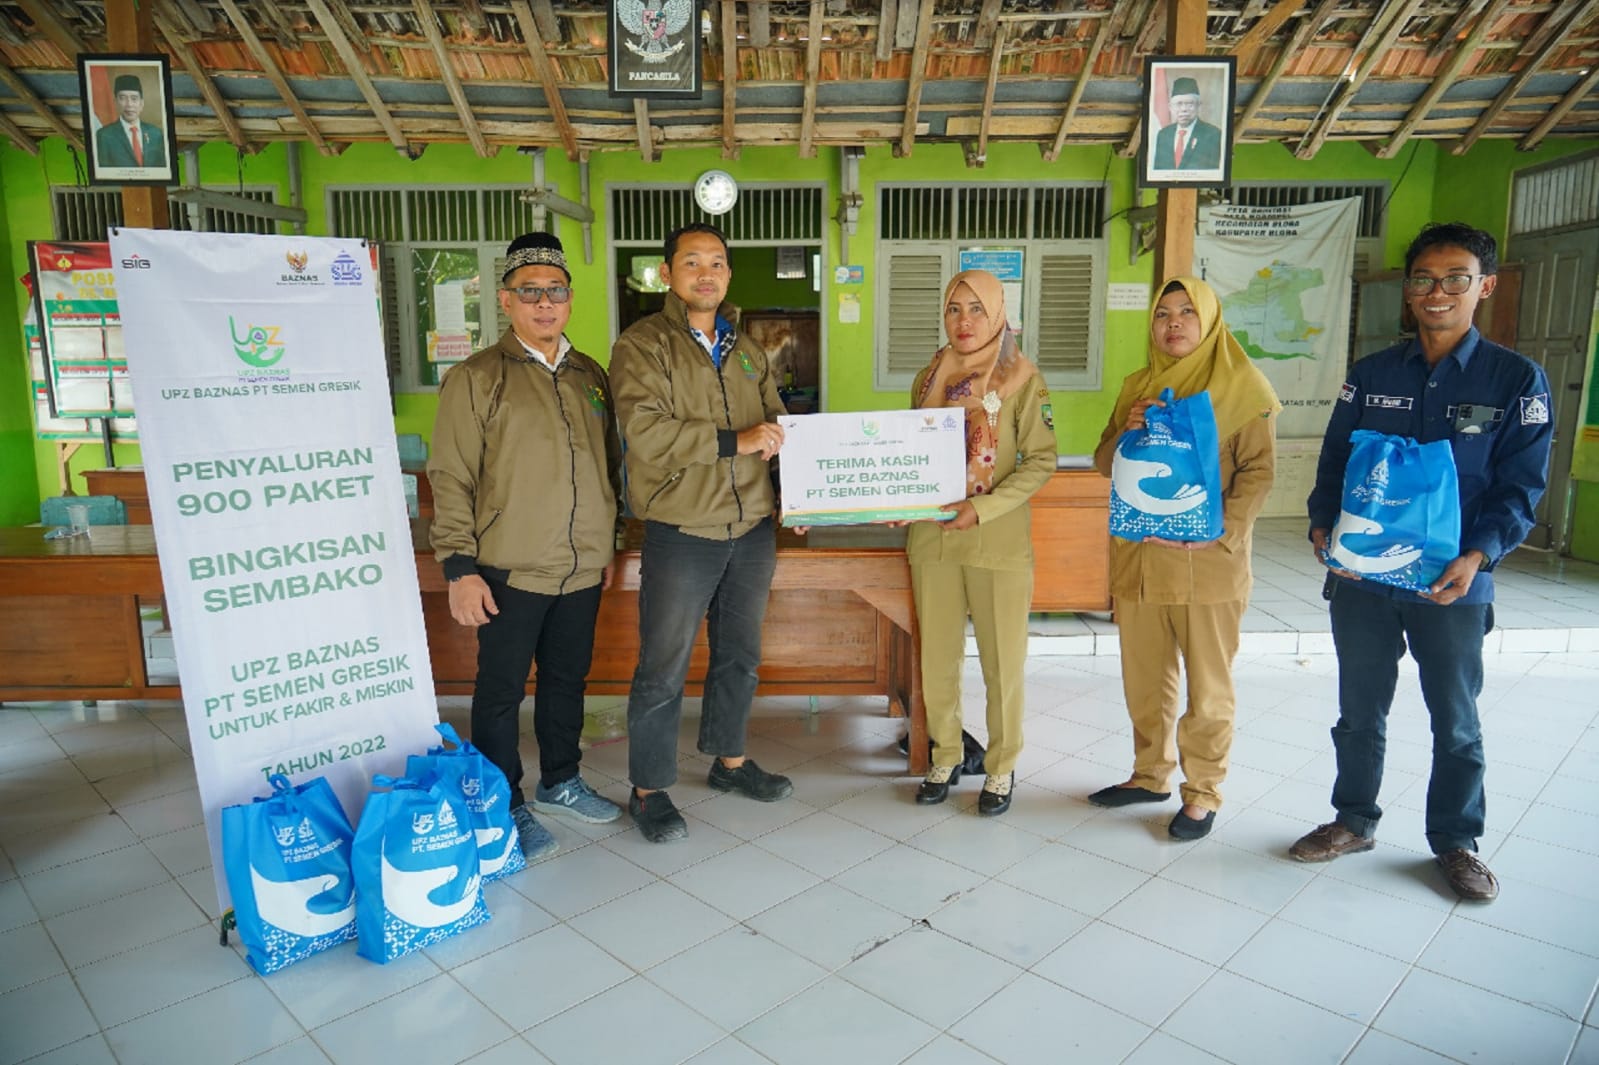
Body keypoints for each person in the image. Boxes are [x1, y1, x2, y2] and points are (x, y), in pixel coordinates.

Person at [1291, 222, 1554, 901]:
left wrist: (1479, 555)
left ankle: (1456, 841)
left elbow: (1521, 486)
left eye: (1456, 278)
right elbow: (1335, 460)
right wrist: (1322, 523)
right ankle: (1353, 820)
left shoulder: (1515, 380)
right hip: (1363, 581)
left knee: (1455, 719)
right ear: (1408, 291)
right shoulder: (1372, 375)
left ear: (1483, 287)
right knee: (1358, 709)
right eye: (1424, 279)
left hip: (1452, 584)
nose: (1438, 292)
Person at [427, 231, 625, 861]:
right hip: (507, 567)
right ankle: (501, 802)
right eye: (530, 291)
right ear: (505, 300)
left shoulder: (590, 376)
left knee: (567, 681)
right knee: (500, 691)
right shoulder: (477, 377)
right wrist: (459, 567)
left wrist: (608, 542)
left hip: (582, 567)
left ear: (570, 299)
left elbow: (610, 467)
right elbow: (451, 474)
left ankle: (560, 781)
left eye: (555, 291)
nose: (544, 303)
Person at [609, 222, 793, 843]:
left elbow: (776, 422)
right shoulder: (642, 345)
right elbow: (645, 433)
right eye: (692, 262)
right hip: (683, 527)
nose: (706, 273)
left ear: (728, 274)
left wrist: (803, 485)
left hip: (751, 526)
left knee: (739, 654)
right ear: (668, 273)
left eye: (716, 262)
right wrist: (735, 441)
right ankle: (648, 789)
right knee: (664, 665)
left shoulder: (747, 348)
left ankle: (729, 761)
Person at [1088, 277, 1279, 840]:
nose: (1173, 323)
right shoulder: (1138, 386)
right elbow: (1105, 463)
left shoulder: (1242, 386)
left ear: (1210, 320)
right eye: (1163, 314)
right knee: (1144, 681)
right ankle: (1149, 775)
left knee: (1208, 688)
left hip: (1208, 565)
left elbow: (1259, 473)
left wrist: (1222, 534)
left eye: (1187, 312)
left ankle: (1203, 792)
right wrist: (1125, 433)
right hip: (1140, 559)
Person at [908, 270, 1057, 817]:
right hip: (933, 539)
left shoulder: (1023, 379)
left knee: (1002, 662)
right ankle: (945, 755)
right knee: (937, 658)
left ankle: (1000, 766)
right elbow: (910, 453)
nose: (964, 321)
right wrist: (895, 502)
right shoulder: (929, 376)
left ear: (997, 313)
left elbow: (1040, 461)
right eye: (954, 309)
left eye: (976, 309)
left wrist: (983, 506)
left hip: (996, 539)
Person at [94, 74, 166, 170]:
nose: (129, 104)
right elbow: (103, 172)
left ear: (141, 103)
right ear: (115, 102)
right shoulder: (104, 135)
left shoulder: (156, 133)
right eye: (123, 98)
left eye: (134, 98)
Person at [1152, 76, 1221, 171]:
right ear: (1170, 107)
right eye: (1178, 104)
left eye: (1189, 104)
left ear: (1199, 106)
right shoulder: (1163, 135)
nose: (1184, 109)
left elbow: (1214, 172)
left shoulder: (1212, 134)